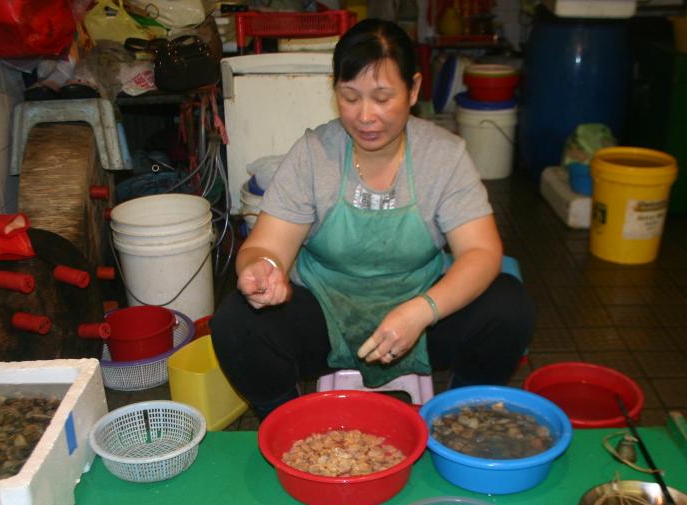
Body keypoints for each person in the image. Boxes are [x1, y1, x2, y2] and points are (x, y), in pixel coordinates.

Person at [211, 19, 535, 418]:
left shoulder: (443, 156)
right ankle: (288, 422)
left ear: (413, 89)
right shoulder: (315, 154)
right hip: (326, 313)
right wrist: (262, 269)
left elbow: (482, 251)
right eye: (350, 97)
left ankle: (458, 418)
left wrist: (421, 310)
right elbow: (265, 246)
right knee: (235, 322)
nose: (366, 116)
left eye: (383, 98)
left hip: (420, 308)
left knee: (508, 307)